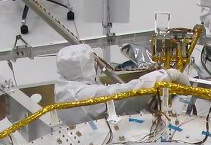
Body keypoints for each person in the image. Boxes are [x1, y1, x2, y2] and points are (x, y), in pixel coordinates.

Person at [53, 44, 183, 124]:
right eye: (93, 63)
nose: (96, 67)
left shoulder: (65, 87)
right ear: (85, 66)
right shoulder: (79, 95)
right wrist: (167, 75)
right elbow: (122, 95)